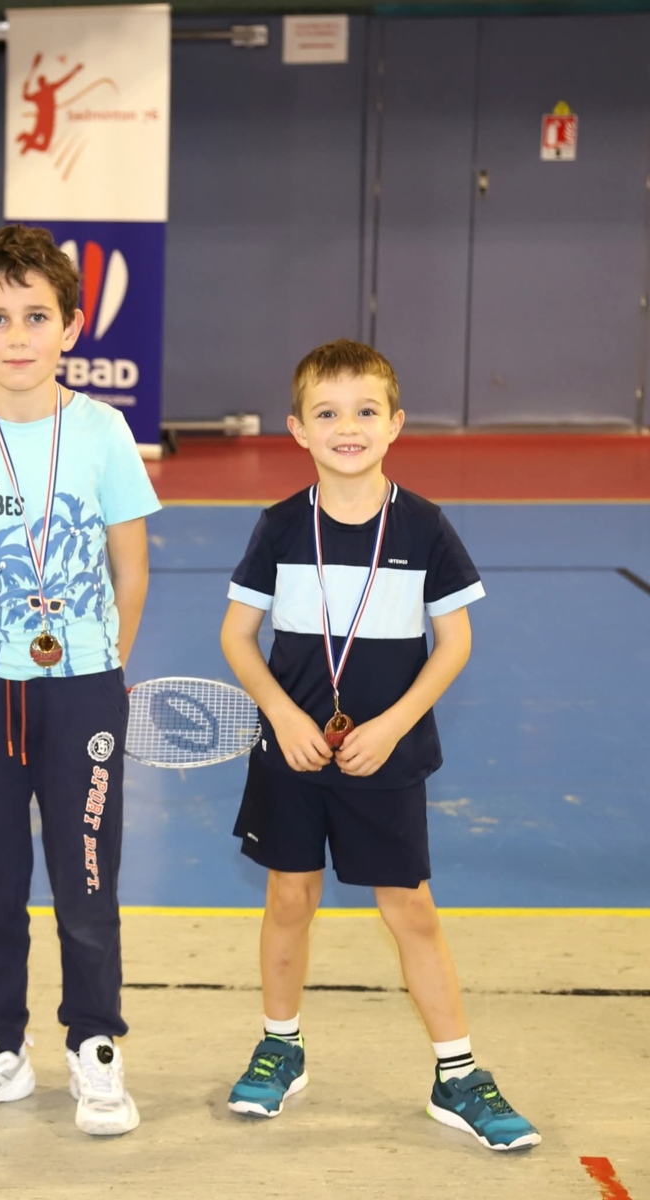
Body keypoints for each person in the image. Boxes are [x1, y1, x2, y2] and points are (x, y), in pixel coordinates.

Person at [219, 339, 540, 1151]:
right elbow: (237, 635)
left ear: (395, 424)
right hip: (293, 755)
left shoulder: (425, 526)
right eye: (327, 413)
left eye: (366, 411)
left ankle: (457, 1074)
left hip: (385, 757)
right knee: (289, 898)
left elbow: (456, 642)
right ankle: (281, 1046)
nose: (348, 427)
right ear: (298, 429)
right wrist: (282, 716)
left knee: (411, 909)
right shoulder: (280, 526)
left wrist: (393, 724)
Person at [0, 224, 160, 1136]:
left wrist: (100, 663)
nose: (18, 335)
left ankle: (94, 1043)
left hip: (83, 685)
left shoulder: (103, 431)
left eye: (37, 316)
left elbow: (132, 565)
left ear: (70, 328)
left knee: (86, 878)